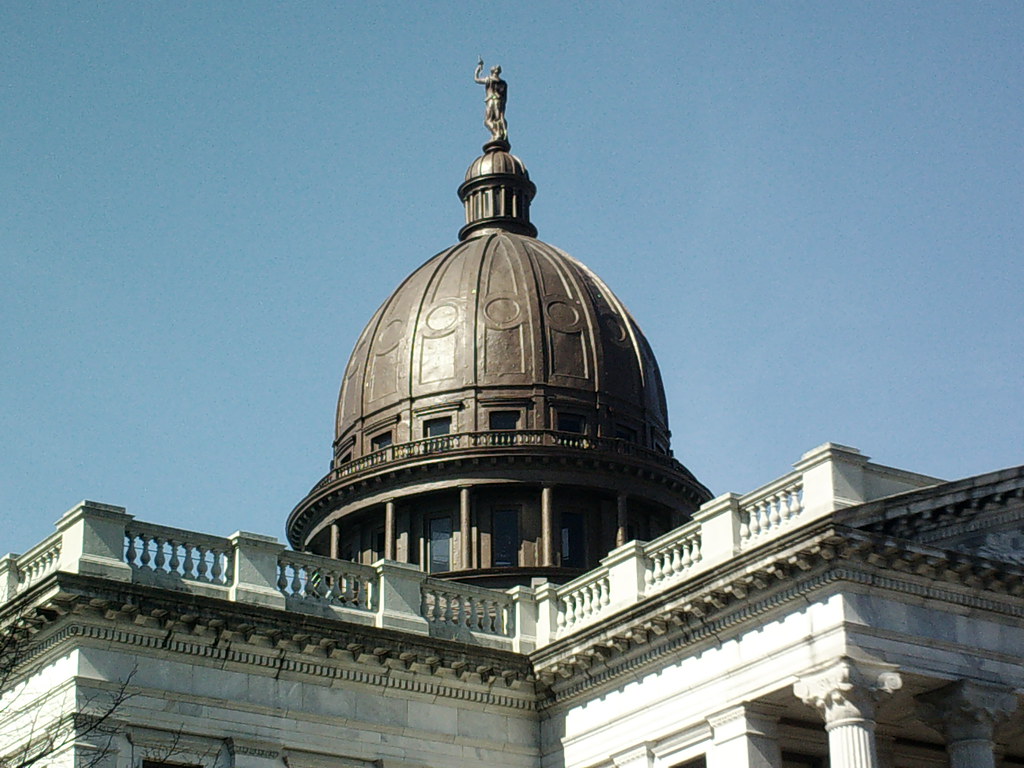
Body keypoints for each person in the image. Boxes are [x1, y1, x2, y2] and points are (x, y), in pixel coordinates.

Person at [474, 58, 508, 142]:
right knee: (499, 119)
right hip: (499, 101)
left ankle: (496, 134)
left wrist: (478, 68)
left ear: (492, 71)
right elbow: (505, 97)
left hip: (491, 100)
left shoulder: (488, 79)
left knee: (487, 121)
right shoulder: (503, 83)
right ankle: (501, 133)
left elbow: (476, 79)